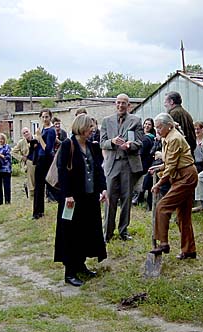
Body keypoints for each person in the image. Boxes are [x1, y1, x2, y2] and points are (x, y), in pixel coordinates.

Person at [54, 114, 107, 287]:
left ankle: (81, 265)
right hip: (72, 199)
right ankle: (70, 272)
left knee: (86, 232)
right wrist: (67, 194)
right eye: (90, 126)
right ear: (81, 127)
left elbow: (98, 169)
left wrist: (103, 189)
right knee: (71, 234)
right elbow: (62, 172)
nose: (93, 129)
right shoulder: (67, 145)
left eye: (93, 126)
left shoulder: (92, 146)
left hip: (89, 198)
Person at [149, 113, 198, 259]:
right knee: (183, 216)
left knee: (162, 207)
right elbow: (172, 162)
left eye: (159, 127)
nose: (157, 130)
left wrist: (159, 183)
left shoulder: (174, 138)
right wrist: (158, 168)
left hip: (186, 177)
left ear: (168, 125)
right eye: (156, 127)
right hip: (182, 175)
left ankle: (163, 243)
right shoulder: (169, 137)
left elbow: (171, 166)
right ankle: (189, 250)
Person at [100, 93, 143, 242]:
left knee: (126, 198)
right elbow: (102, 142)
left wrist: (130, 145)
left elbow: (140, 142)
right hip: (112, 164)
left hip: (128, 164)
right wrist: (112, 141)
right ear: (115, 104)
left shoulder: (136, 121)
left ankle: (123, 231)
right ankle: (108, 233)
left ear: (128, 105)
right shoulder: (106, 121)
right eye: (118, 103)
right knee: (110, 198)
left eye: (124, 103)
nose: (120, 105)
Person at [32, 109, 56, 219]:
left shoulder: (51, 130)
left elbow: (48, 149)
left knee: (46, 185)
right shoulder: (42, 128)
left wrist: (39, 137)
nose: (45, 119)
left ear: (50, 117)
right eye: (43, 117)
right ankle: (38, 211)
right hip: (40, 158)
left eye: (46, 117)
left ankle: (38, 212)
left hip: (46, 159)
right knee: (38, 186)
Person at [163, 91, 196, 156]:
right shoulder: (185, 113)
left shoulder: (173, 113)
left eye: (165, 102)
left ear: (171, 102)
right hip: (188, 150)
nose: (164, 105)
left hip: (180, 152)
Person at [132, 118, 155, 209]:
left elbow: (141, 152)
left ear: (152, 126)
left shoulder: (147, 138)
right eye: (145, 124)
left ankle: (136, 198)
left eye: (149, 124)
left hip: (143, 163)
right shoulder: (143, 136)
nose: (146, 126)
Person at [11, 127, 37, 199]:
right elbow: (13, 152)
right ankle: (31, 196)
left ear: (30, 131)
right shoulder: (21, 142)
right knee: (31, 180)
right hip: (30, 162)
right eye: (24, 133)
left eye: (27, 132)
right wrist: (21, 157)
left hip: (39, 161)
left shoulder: (37, 139)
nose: (26, 134)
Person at [0, 133, 12, 205]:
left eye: (2, 139)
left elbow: (8, 158)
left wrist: (0, 155)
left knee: (7, 186)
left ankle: (7, 201)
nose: (0, 140)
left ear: (4, 140)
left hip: (6, 168)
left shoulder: (7, 147)